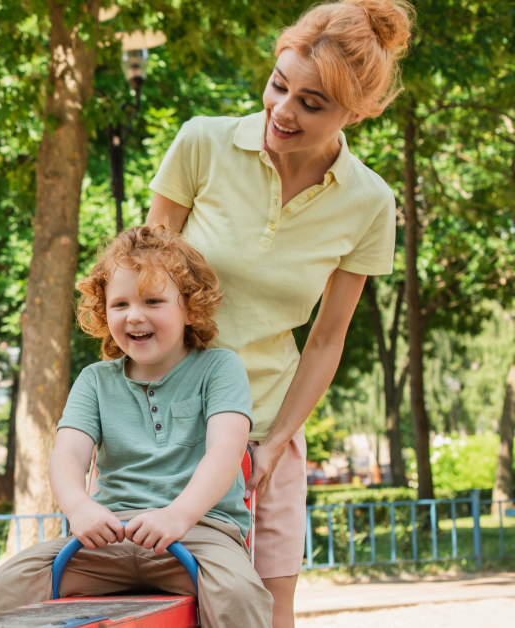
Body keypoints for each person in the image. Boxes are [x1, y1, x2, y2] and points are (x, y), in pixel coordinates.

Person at [145, 1, 414, 626]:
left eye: (311, 103)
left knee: (266, 611)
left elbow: (325, 341)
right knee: (159, 608)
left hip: (265, 432)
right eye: (278, 85)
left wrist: (274, 444)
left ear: (358, 112)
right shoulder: (203, 143)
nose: (282, 111)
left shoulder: (371, 202)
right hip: (161, 423)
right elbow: (141, 282)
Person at [0, 226, 272, 628]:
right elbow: (67, 453)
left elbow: (226, 450)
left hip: (198, 535)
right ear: (104, 314)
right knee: (11, 583)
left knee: (239, 596)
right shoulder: (96, 380)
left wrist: (177, 516)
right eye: (120, 304)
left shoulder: (219, 368)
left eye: (153, 301)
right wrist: (80, 508)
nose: (135, 315)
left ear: (190, 308)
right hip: (109, 539)